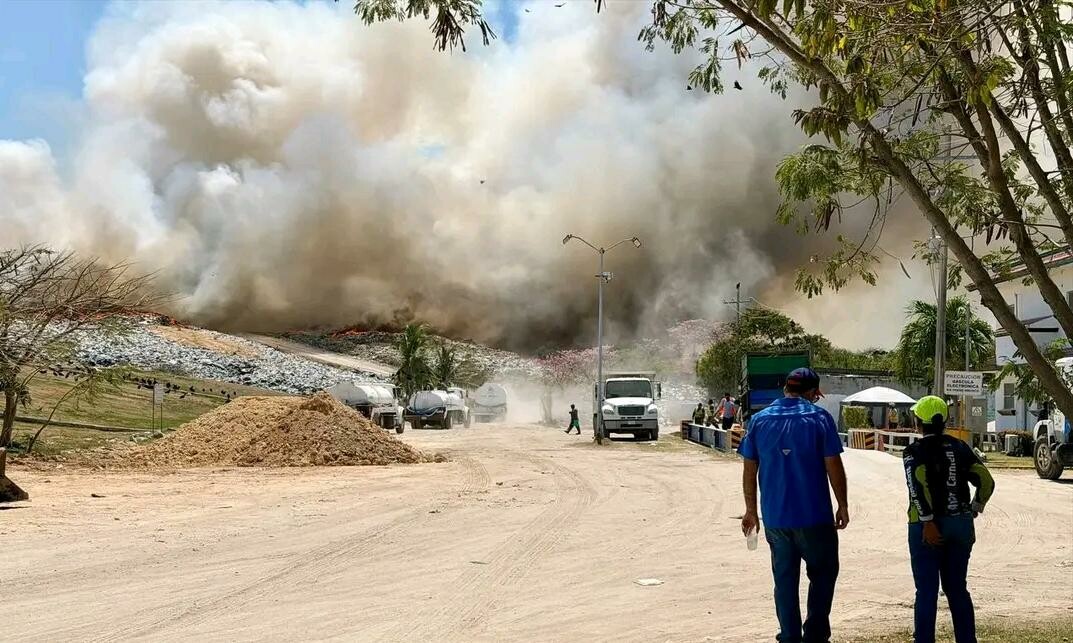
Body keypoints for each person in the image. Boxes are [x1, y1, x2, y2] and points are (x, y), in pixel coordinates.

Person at [739, 367, 849, 643]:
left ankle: (789, 637)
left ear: (785, 388)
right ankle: (815, 635)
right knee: (823, 577)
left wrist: (751, 510)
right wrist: (843, 503)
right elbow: (833, 465)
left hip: (776, 519)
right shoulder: (819, 418)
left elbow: (749, 468)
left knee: (785, 582)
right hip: (815, 517)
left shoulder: (760, 421)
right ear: (812, 392)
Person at [902, 396, 995, 643]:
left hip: (927, 527)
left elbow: (917, 488)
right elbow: (986, 481)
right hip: (961, 524)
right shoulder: (960, 446)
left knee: (927, 591)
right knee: (956, 589)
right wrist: (976, 506)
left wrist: (928, 522)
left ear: (919, 422)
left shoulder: (914, 452)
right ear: (944, 420)